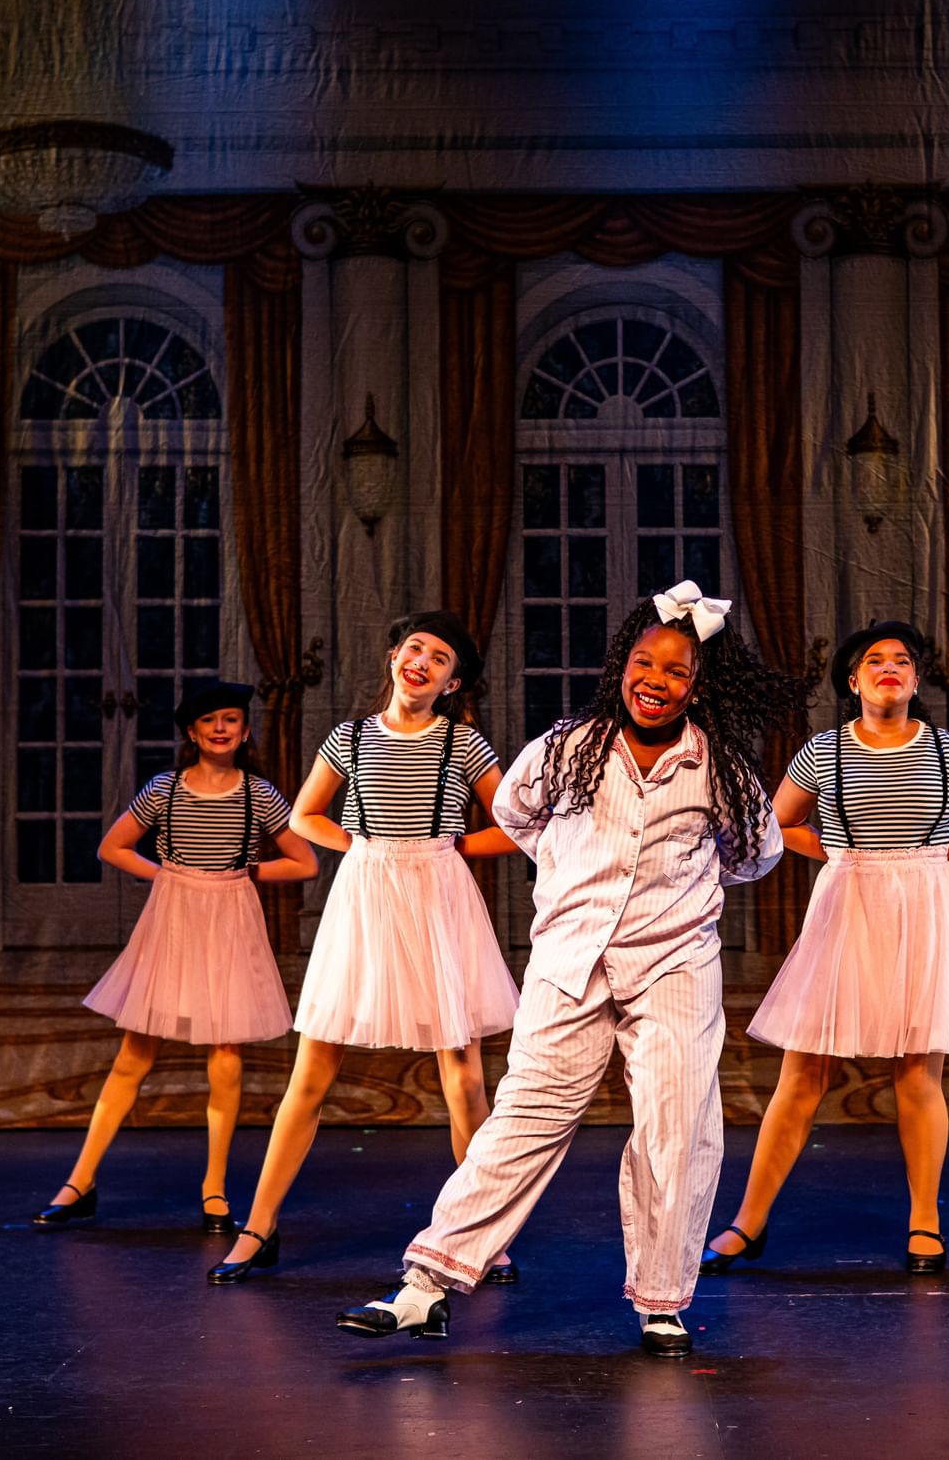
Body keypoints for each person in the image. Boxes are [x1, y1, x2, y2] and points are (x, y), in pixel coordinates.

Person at [336, 582, 799, 1359]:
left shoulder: (716, 765)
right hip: (569, 958)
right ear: (622, 665)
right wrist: (569, 875)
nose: (656, 680)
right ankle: (426, 1285)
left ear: (698, 687)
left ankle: (662, 1300)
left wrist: (683, 890)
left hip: (674, 963)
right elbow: (516, 814)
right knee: (524, 1115)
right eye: (644, 663)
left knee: (676, 1128)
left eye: (676, 671)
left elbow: (757, 852)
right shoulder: (569, 745)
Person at [209, 612, 519, 1281]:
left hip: (437, 899)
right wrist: (364, 848)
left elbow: (518, 824)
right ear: (394, 656)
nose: (422, 661)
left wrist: (451, 848)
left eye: (439, 658)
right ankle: (258, 1226)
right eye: (415, 648)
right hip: (367, 898)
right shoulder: (349, 737)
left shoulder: (461, 742)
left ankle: (481, 1233)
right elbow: (304, 815)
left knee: (464, 1074)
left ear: (451, 682)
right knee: (311, 1070)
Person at [702, 621, 949, 1277]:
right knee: (804, 1070)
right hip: (847, 904)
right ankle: (748, 1221)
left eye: (901, 660)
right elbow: (778, 822)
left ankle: (924, 1220)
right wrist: (842, 854)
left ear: (916, 680)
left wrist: (930, 860)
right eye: (875, 660)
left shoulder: (947, 749)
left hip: (922, 909)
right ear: (853, 680)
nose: (889, 667)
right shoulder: (826, 750)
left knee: (917, 1072)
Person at [33, 681, 317, 1231]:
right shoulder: (165, 788)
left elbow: (304, 862)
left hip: (230, 920)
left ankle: (214, 1188)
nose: (220, 728)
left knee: (225, 1054)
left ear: (245, 731)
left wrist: (247, 871)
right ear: (192, 732)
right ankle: (80, 1180)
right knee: (135, 1051)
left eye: (230, 719)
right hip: (174, 921)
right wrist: (168, 877)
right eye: (209, 720)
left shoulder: (258, 794)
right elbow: (113, 846)